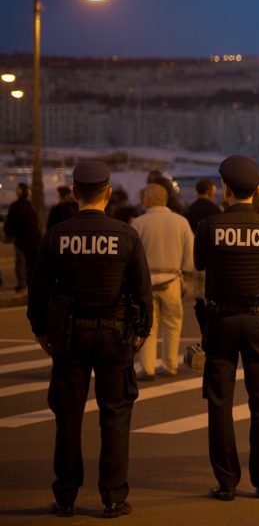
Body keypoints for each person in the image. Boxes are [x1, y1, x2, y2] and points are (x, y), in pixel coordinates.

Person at [26, 160, 151, 518]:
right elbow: (142, 293)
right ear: (108, 194)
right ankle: (113, 496)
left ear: (74, 193)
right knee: (115, 417)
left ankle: (65, 496)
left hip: (68, 336)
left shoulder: (57, 235)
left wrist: (41, 333)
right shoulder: (125, 234)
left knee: (68, 418)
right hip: (114, 335)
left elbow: (38, 292)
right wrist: (140, 334)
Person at [196, 155, 259, 501]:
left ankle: (226, 482)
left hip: (220, 321)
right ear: (257, 190)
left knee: (220, 403)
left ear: (225, 188)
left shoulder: (209, 226)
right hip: (258, 320)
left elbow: (199, 264)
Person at [131, 183, 195, 380]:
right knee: (173, 323)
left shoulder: (138, 223)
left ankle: (147, 368)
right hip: (172, 279)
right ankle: (170, 365)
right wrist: (186, 275)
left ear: (147, 200)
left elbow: (132, 256)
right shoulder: (181, 222)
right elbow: (189, 254)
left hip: (145, 281)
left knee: (147, 325)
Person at [4, 181, 40, 292]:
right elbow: (35, 222)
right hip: (32, 239)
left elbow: (9, 222)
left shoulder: (15, 206)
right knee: (30, 263)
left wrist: (8, 234)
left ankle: (22, 285)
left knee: (21, 263)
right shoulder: (31, 206)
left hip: (20, 239)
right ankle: (29, 284)